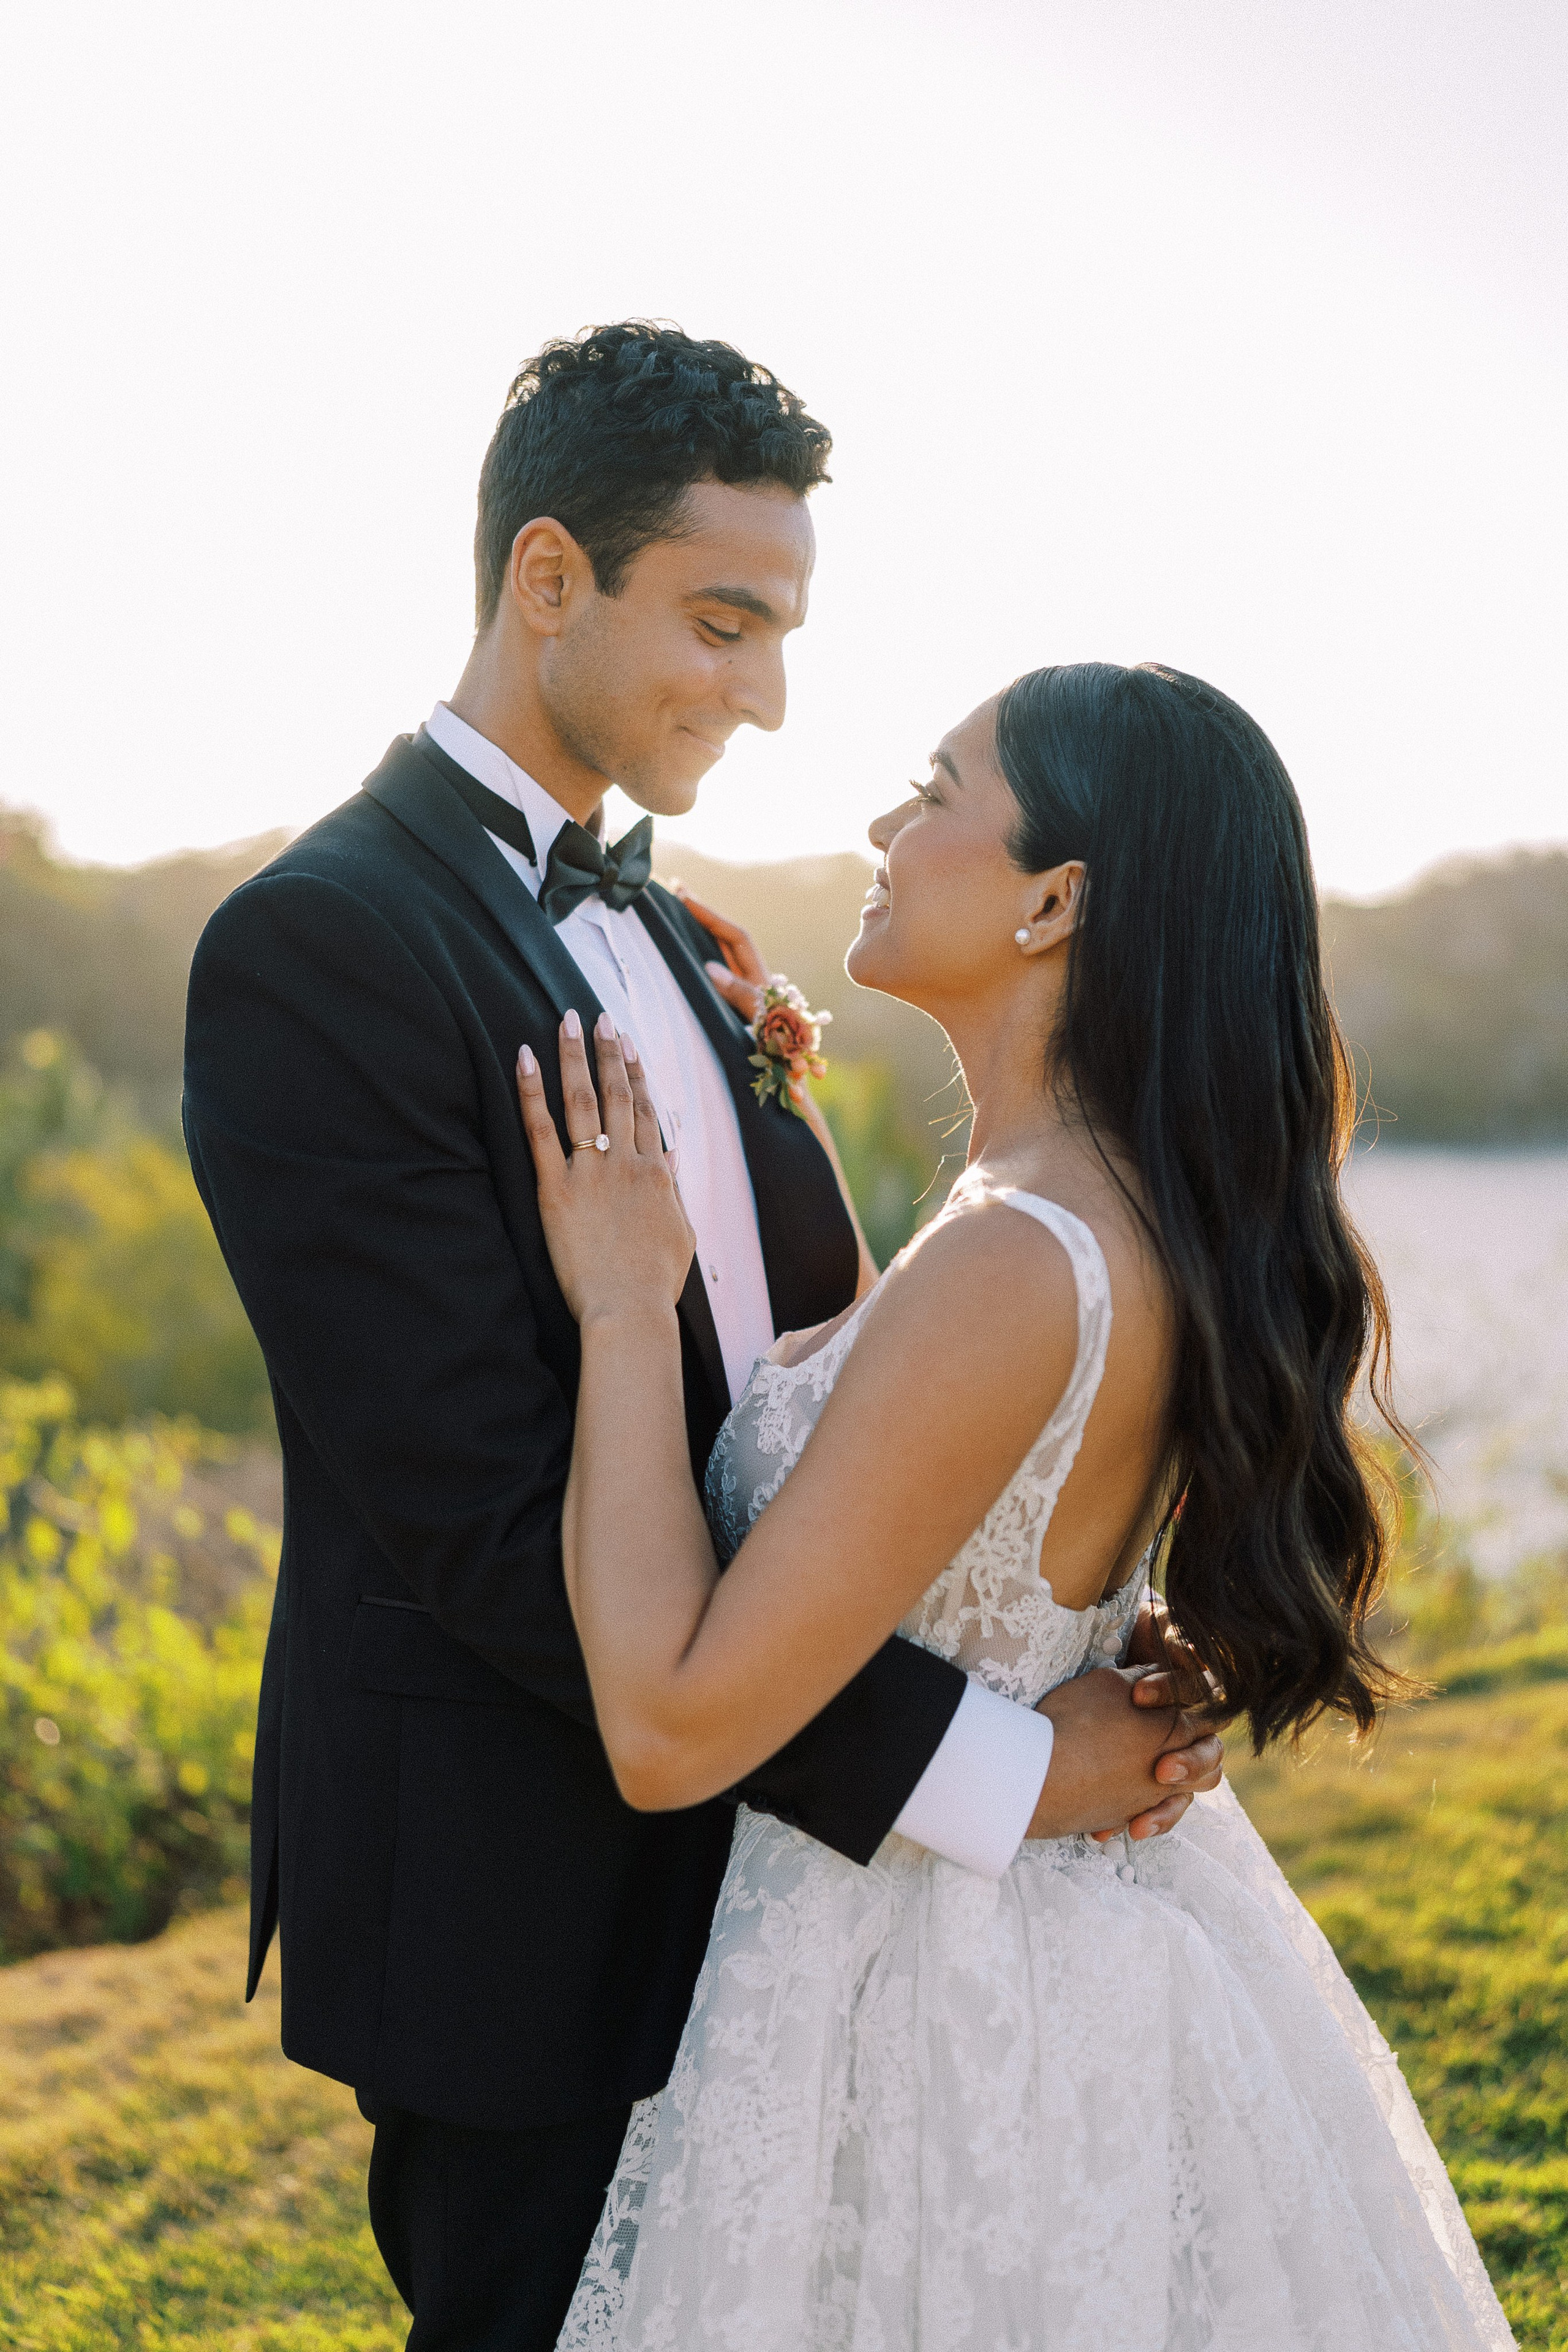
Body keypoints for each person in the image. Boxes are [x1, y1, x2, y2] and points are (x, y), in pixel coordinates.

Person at [182, 325, 1223, 2351]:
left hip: (803, 1897)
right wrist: (999, 1770)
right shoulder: (316, 951)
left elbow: (826, 1388)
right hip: (529, 1884)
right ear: (548, 578)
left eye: (784, 632)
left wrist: (1069, 1623)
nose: (764, 696)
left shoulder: (680, 931)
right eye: (724, 624)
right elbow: (490, 1535)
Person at [519, 662, 1517, 2350]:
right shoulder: (1086, 1210)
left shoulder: (1017, 1256)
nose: (883, 824)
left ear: (1055, 898)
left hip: (925, 1993)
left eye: (934, 788)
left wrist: (625, 1308)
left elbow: (676, 1727)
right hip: (1020, 1936)